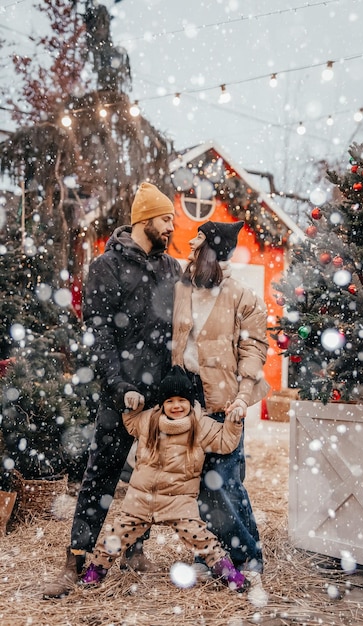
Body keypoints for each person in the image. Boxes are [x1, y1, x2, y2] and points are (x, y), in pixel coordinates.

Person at [43, 182, 182, 598]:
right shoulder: (106, 267)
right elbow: (99, 333)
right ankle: (75, 560)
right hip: (119, 394)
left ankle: (135, 550)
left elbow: (182, 328)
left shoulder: (172, 269)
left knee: (148, 477)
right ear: (145, 221)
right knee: (100, 476)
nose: (172, 227)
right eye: (166, 219)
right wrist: (119, 385)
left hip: (161, 396)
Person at [80, 365, 250, 594]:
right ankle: (95, 573)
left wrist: (233, 421)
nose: (176, 406)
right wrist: (133, 407)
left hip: (179, 502)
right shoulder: (149, 420)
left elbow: (226, 441)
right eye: (170, 401)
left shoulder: (201, 425)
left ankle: (229, 574)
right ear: (162, 403)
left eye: (182, 400)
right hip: (140, 500)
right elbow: (131, 423)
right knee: (113, 539)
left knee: (203, 540)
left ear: (190, 401)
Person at [171, 220, 270, 605]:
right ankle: (209, 554)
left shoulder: (242, 295)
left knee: (224, 481)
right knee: (199, 483)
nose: (191, 250)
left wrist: (244, 397)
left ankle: (247, 556)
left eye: (197, 246)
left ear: (211, 252)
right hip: (188, 400)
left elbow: (254, 349)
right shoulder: (182, 290)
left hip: (226, 402)